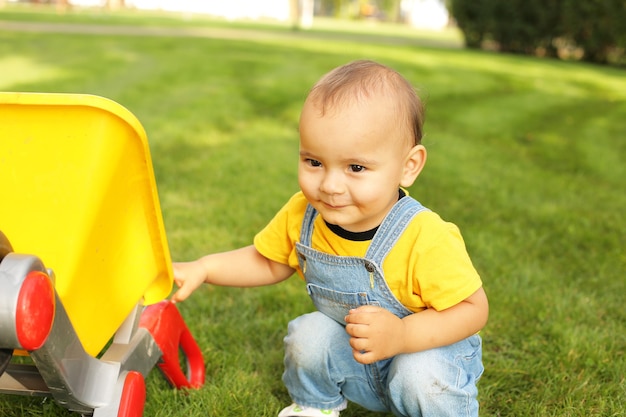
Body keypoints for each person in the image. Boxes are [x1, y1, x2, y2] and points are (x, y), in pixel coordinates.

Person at [172, 60, 489, 417]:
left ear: (408, 166)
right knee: (309, 334)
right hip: (359, 357)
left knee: (418, 373)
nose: (330, 185)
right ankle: (315, 407)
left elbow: (472, 309)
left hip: (425, 357)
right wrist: (203, 267)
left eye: (356, 168)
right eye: (314, 162)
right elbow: (267, 261)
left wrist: (402, 337)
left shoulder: (425, 237)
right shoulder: (303, 214)